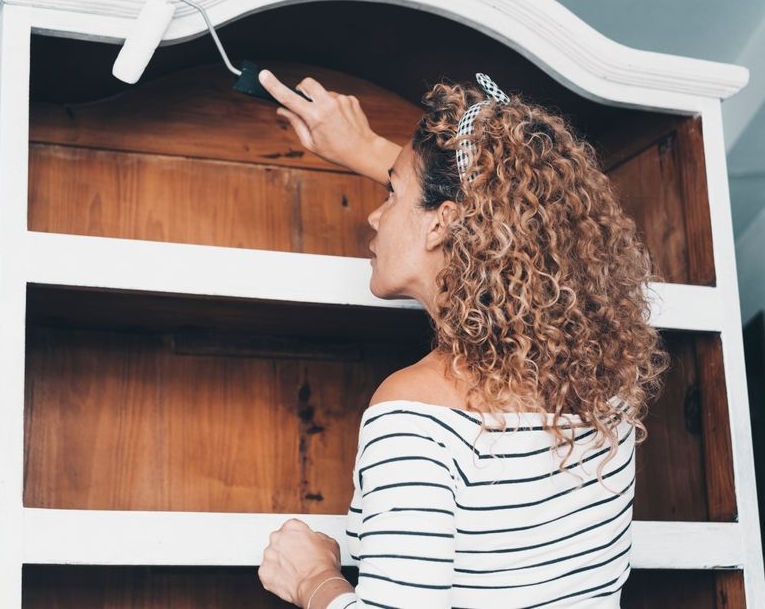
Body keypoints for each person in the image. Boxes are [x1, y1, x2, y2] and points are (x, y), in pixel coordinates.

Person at [255, 68, 669, 608]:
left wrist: (313, 578)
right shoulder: (606, 395)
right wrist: (367, 149)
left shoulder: (417, 413)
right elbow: (508, 201)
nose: (375, 217)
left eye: (391, 192)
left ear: (442, 224)